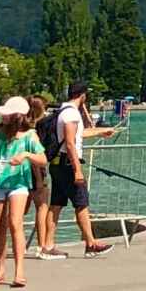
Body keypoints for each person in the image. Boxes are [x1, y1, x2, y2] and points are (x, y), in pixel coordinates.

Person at [40, 82, 115, 259]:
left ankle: (48, 245)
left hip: (58, 163)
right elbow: (71, 142)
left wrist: (99, 132)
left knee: (56, 205)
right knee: (81, 203)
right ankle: (91, 243)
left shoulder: (62, 111)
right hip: (68, 164)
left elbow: (76, 134)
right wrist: (77, 170)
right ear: (82, 96)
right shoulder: (72, 114)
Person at [0, 97, 46, 289]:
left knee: (15, 223)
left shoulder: (29, 135)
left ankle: (20, 272)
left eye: (7, 113)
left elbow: (42, 158)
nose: (3, 116)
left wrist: (25, 155)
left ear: (17, 116)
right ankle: (0, 270)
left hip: (18, 183)